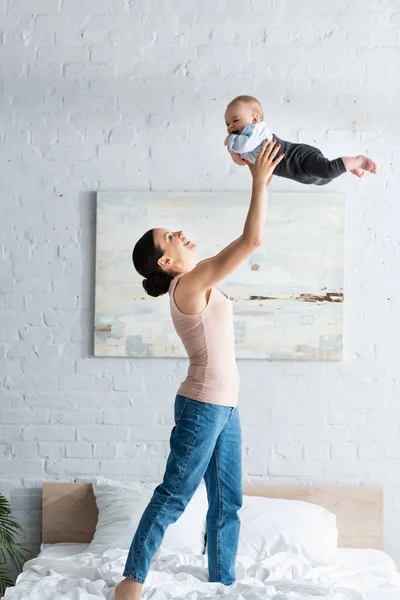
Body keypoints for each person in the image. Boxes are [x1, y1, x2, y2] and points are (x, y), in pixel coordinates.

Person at [114, 139, 284, 600]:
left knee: (229, 501)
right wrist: (258, 181)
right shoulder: (188, 285)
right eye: (170, 237)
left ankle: (223, 581)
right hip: (203, 404)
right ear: (166, 262)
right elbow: (252, 241)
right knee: (174, 494)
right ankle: (131, 581)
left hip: (225, 405)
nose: (179, 233)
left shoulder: (197, 280)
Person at [225, 95, 377, 185]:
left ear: (254, 118)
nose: (231, 126)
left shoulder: (256, 130)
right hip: (295, 172)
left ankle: (359, 160)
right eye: (227, 124)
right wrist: (233, 154)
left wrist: (230, 142)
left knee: (327, 171)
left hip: (298, 157)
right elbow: (241, 161)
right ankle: (348, 166)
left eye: (235, 120)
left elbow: (241, 146)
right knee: (324, 180)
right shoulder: (245, 145)